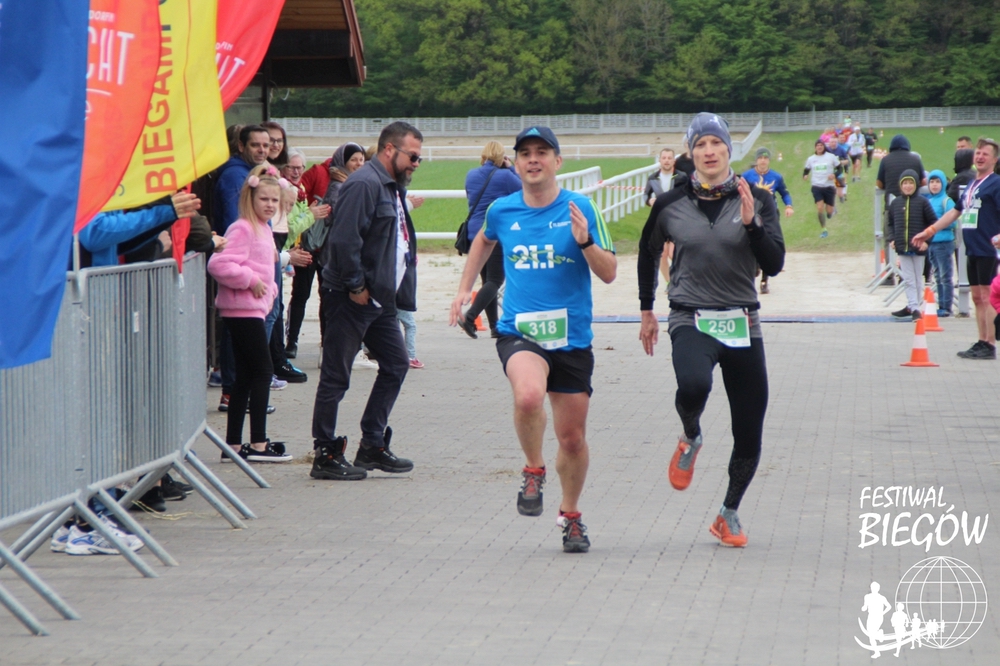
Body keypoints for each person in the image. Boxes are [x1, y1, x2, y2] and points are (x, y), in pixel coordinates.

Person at [450, 126, 616, 554]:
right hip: (520, 332)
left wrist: (585, 241)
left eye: (542, 152)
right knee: (527, 397)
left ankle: (571, 515)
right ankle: (533, 468)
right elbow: (482, 240)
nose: (533, 159)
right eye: (525, 153)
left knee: (572, 439)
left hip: (572, 339)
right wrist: (464, 289)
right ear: (516, 163)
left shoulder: (581, 208)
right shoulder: (502, 210)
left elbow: (609, 272)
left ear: (558, 162)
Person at [638, 112, 785, 549]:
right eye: (700, 144)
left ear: (728, 149)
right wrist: (646, 310)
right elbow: (647, 253)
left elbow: (774, 263)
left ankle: (728, 513)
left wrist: (752, 224)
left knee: (749, 428)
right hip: (690, 315)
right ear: (691, 153)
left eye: (716, 143)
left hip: (742, 320)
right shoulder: (669, 203)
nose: (709, 151)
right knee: (693, 385)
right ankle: (691, 435)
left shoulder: (758, 198)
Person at [310, 122, 421, 481]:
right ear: (390, 149)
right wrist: (355, 285)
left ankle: (372, 444)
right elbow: (344, 240)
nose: (416, 164)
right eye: (412, 156)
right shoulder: (364, 184)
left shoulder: (390, 186)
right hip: (351, 296)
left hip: (380, 299)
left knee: (396, 364)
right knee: (336, 375)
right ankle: (325, 453)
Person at [207, 164, 292, 463]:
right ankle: (258, 442)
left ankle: (232, 444)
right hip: (242, 309)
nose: (269, 205)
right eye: (263, 199)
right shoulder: (243, 228)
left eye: (274, 200)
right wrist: (251, 281)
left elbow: (266, 269)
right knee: (263, 371)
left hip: (253, 308)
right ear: (250, 198)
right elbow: (218, 264)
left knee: (245, 376)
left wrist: (270, 291)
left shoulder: (263, 229)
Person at [913, 138, 1000, 359]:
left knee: (988, 297)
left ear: (994, 160)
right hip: (973, 248)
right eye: (978, 153)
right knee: (977, 297)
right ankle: (982, 340)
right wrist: (930, 230)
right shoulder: (972, 184)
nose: (980, 157)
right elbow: (955, 212)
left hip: (989, 249)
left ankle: (990, 344)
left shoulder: (996, 183)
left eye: (985, 154)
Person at [284, 146, 357, 360]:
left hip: (327, 250)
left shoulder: (349, 180)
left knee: (327, 297)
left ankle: (326, 344)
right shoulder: (318, 172)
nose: (297, 171)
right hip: (309, 246)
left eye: (300, 167)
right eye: (354, 160)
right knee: (301, 295)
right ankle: (292, 341)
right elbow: (300, 200)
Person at [457, 140, 522, 339]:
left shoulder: (471, 175)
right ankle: (470, 317)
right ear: (502, 157)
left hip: (473, 232)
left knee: (487, 280)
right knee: (495, 280)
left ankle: (495, 327)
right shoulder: (505, 176)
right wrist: (511, 168)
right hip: (494, 232)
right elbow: (524, 190)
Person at [741, 147, 793, 294]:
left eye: (765, 158)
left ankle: (765, 280)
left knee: (769, 244)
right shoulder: (747, 176)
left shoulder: (776, 177)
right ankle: (754, 267)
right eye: (760, 158)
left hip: (770, 215)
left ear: (769, 160)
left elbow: (784, 193)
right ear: (756, 160)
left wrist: (789, 205)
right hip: (752, 213)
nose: (763, 161)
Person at [886, 170, 936, 321]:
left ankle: (915, 306)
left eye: (910, 183)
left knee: (918, 278)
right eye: (905, 183)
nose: (908, 186)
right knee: (908, 279)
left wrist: (927, 241)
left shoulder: (923, 202)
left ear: (916, 185)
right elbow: (889, 223)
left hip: (918, 248)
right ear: (900, 185)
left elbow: (933, 223)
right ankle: (914, 307)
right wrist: (892, 239)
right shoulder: (895, 203)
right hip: (902, 247)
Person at [925, 170, 956, 316]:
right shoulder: (929, 201)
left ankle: (947, 306)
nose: (934, 185)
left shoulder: (947, 201)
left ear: (943, 183)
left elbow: (953, 221)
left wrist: (937, 225)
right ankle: (941, 304)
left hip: (944, 243)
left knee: (945, 275)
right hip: (932, 243)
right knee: (937, 276)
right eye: (932, 182)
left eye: (937, 181)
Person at [803, 140, 840, 238]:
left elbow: (840, 168)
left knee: (829, 211)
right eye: (817, 145)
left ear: (824, 147)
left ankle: (831, 211)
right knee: (820, 207)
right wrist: (805, 175)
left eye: (821, 145)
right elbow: (806, 170)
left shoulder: (831, 157)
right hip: (816, 186)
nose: (819, 147)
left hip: (829, 186)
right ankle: (824, 229)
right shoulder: (811, 159)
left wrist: (834, 175)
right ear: (815, 147)